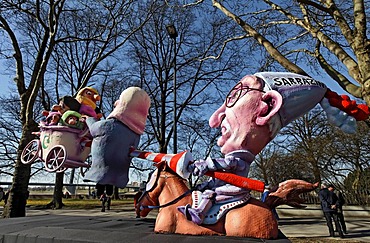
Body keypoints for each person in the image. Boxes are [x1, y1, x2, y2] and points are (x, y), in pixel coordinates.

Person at [177, 72, 369, 225]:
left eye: (234, 96)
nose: (215, 118)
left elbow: (225, 164)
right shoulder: (237, 153)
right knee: (203, 190)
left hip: (230, 190)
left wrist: (205, 164)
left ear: (268, 107)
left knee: (209, 194)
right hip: (224, 186)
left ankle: (197, 214)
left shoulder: (237, 159)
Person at [83, 87, 151, 188]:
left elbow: (94, 128)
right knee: (112, 177)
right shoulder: (136, 136)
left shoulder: (110, 125)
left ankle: (101, 185)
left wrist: (89, 119)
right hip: (121, 174)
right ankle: (109, 186)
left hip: (100, 168)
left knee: (102, 176)